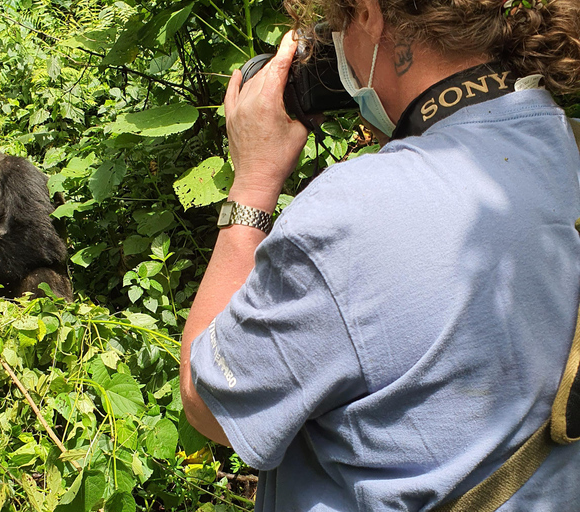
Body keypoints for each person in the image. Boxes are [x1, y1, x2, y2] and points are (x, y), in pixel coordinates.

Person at [179, 0, 580, 510]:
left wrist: (254, 180)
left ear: (368, 13)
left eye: (338, 25)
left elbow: (208, 403)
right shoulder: (566, 144)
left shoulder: (356, 210)